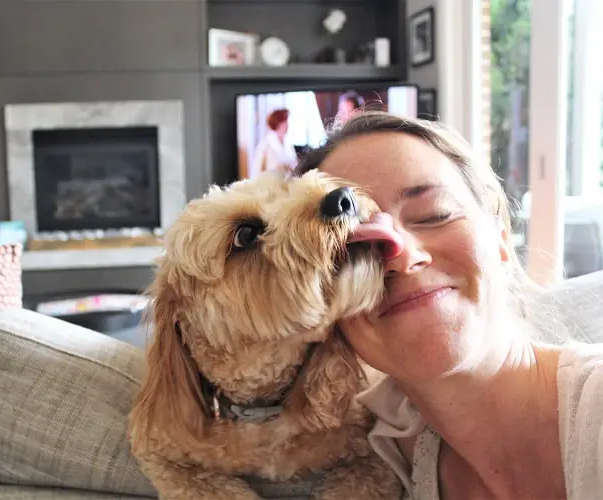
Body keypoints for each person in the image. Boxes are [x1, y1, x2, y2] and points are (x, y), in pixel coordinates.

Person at [294, 111, 603, 499]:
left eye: (433, 215)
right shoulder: (374, 457)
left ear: (501, 238)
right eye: (354, 248)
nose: (403, 258)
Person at [252, 108, 298, 176]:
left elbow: (294, 164)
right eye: (284, 121)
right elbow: (257, 170)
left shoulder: (288, 144)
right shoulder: (266, 143)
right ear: (277, 123)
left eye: (287, 121)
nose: (287, 124)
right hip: (270, 183)